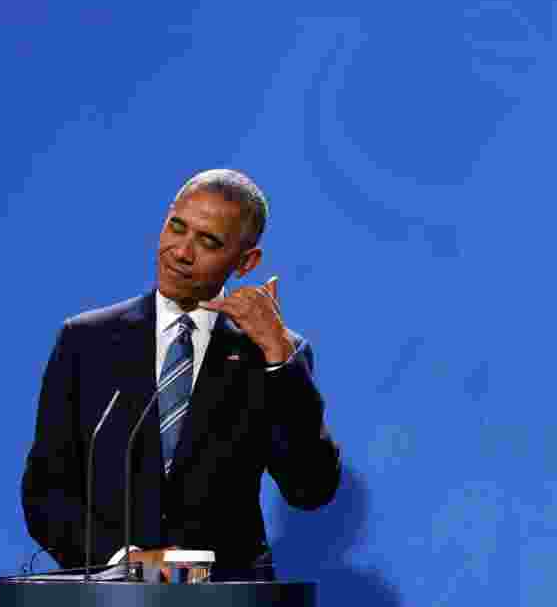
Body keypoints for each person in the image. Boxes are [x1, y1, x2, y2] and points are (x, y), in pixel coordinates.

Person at [22, 169, 341, 579]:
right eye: (176, 228)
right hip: (111, 595)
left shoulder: (275, 353)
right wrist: (126, 563)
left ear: (246, 262)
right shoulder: (87, 340)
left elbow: (310, 489)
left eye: (207, 242)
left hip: (228, 594)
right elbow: (45, 493)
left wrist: (278, 356)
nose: (181, 252)